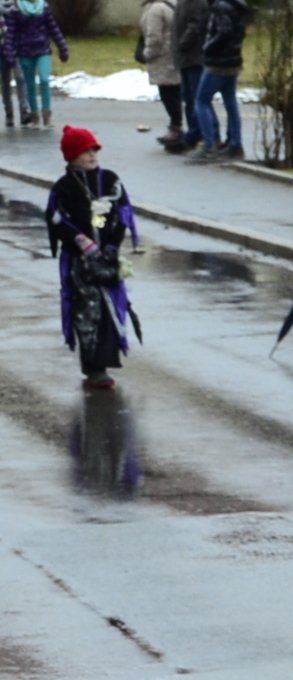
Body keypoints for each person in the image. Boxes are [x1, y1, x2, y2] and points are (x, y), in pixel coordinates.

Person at [46, 127, 138, 393]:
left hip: (107, 258)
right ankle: (94, 368)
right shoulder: (63, 188)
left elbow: (122, 213)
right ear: (72, 156)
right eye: (85, 151)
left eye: (94, 150)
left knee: (109, 309)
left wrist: (111, 246)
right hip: (78, 262)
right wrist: (81, 241)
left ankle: (105, 363)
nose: (91, 155)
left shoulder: (110, 180)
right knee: (87, 311)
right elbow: (56, 219)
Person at [193, 0, 243, 159]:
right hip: (233, 61)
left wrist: (207, 47)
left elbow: (224, 32)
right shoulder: (236, 6)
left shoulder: (220, 7)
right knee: (230, 103)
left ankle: (209, 144)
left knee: (201, 100)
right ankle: (235, 143)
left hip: (217, 63)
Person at [8, 0, 65, 134]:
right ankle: (35, 116)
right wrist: (9, 53)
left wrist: (62, 47)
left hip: (43, 50)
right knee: (30, 85)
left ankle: (46, 115)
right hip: (25, 52)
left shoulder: (43, 6)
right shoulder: (16, 9)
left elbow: (53, 28)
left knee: (44, 79)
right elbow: (11, 33)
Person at [138, 0, 187, 153]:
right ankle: (179, 128)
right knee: (175, 92)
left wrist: (147, 54)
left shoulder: (156, 9)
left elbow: (154, 37)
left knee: (167, 94)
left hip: (162, 58)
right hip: (175, 55)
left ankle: (176, 129)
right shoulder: (174, 4)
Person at [166, 0, 206, 151]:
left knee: (196, 98)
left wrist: (182, 44)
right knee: (189, 98)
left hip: (194, 58)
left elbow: (195, 25)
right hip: (185, 59)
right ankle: (193, 133)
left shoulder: (195, 2)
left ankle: (198, 134)